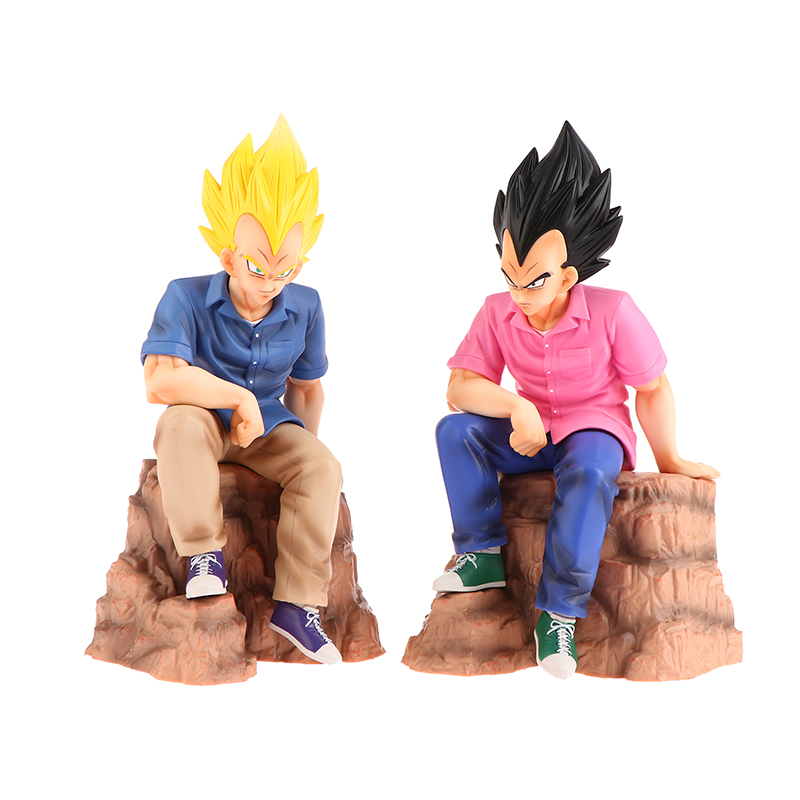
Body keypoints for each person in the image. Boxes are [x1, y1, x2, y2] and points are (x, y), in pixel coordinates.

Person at [433, 122, 719, 679]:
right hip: (530, 433)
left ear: (567, 276)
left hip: (593, 429)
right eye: (509, 277)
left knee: (588, 476)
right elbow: (460, 388)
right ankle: (481, 554)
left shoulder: (614, 311)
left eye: (533, 281)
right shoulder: (497, 311)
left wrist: (670, 457)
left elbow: (652, 387)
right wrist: (517, 407)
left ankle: (559, 614)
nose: (519, 294)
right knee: (455, 432)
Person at [142, 116, 342, 665]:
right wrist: (237, 398)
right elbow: (160, 380)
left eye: (286, 269)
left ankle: (298, 605)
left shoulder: (307, 305)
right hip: (205, 420)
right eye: (257, 266)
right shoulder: (184, 297)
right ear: (228, 256)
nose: (271, 282)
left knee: (322, 466)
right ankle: (204, 557)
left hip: (269, 428)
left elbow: (308, 388)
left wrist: (299, 456)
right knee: (178, 421)